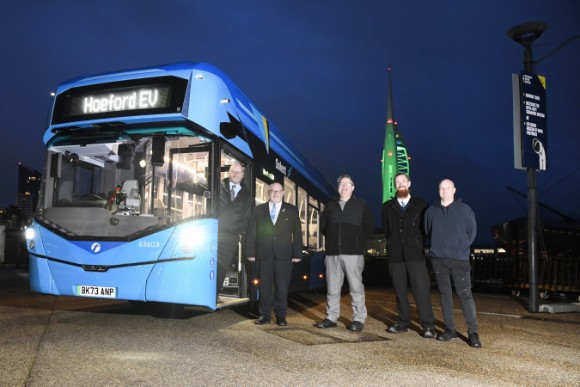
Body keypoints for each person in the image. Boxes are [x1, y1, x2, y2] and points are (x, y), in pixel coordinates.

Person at [424, 178, 482, 348]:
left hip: (459, 260)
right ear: (438, 190)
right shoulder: (431, 211)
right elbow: (428, 231)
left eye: (448, 188)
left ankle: (473, 332)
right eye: (441, 188)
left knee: (465, 295)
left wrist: (460, 249)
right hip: (438, 259)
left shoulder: (465, 210)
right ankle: (450, 329)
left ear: (454, 190)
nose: (444, 191)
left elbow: (472, 232)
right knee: (445, 295)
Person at [315, 174, 375, 332]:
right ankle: (331, 317)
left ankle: (358, 319)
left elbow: (369, 228)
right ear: (338, 187)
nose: (344, 186)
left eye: (348, 184)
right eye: (341, 184)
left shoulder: (361, 205)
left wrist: (357, 243)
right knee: (333, 288)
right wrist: (333, 241)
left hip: (353, 254)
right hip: (333, 253)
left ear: (353, 188)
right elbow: (323, 227)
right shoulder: (330, 205)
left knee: (356, 287)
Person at [381, 173, 435, 338]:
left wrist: (416, 242)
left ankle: (428, 325)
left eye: (403, 181)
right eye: (398, 182)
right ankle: (403, 322)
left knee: (422, 291)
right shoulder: (387, 207)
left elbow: (426, 230)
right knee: (400, 291)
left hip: (415, 255)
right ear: (395, 185)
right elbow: (387, 230)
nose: (401, 184)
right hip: (395, 256)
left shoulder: (421, 205)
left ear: (409, 183)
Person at [246, 182, 302, 326]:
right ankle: (264, 315)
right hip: (263, 255)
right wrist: (250, 252)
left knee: (282, 288)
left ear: (283, 193)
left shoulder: (291, 210)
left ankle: (281, 316)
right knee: (265, 287)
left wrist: (297, 254)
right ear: (268, 193)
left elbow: (297, 234)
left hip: (284, 256)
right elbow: (251, 232)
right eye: (272, 191)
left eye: (278, 191)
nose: (275, 193)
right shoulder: (258, 210)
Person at [216, 162, 253, 298]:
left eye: (238, 172)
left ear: (243, 175)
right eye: (233, 171)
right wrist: (177, 184)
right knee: (210, 263)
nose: (235, 174)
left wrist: (242, 233)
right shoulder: (218, 185)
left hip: (232, 234)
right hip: (216, 231)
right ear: (229, 173)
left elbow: (247, 215)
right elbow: (199, 187)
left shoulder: (247, 194)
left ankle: (214, 293)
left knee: (222, 265)